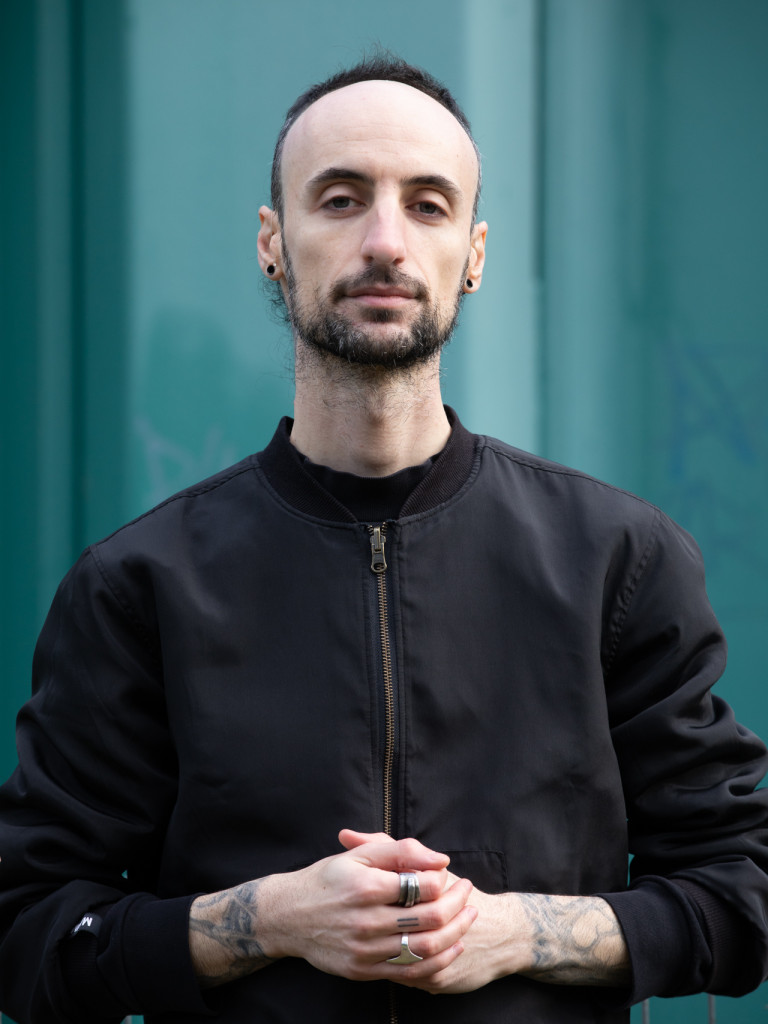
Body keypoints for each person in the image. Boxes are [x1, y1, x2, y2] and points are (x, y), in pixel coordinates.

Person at [0, 55, 766, 1024]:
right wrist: (267, 918)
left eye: (429, 204)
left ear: (475, 253)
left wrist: (515, 932)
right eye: (341, 198)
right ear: (273, 241)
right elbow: (27, 930)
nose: (385, 240)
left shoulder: (618, 559)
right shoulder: (139, 584)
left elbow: (741, 895)